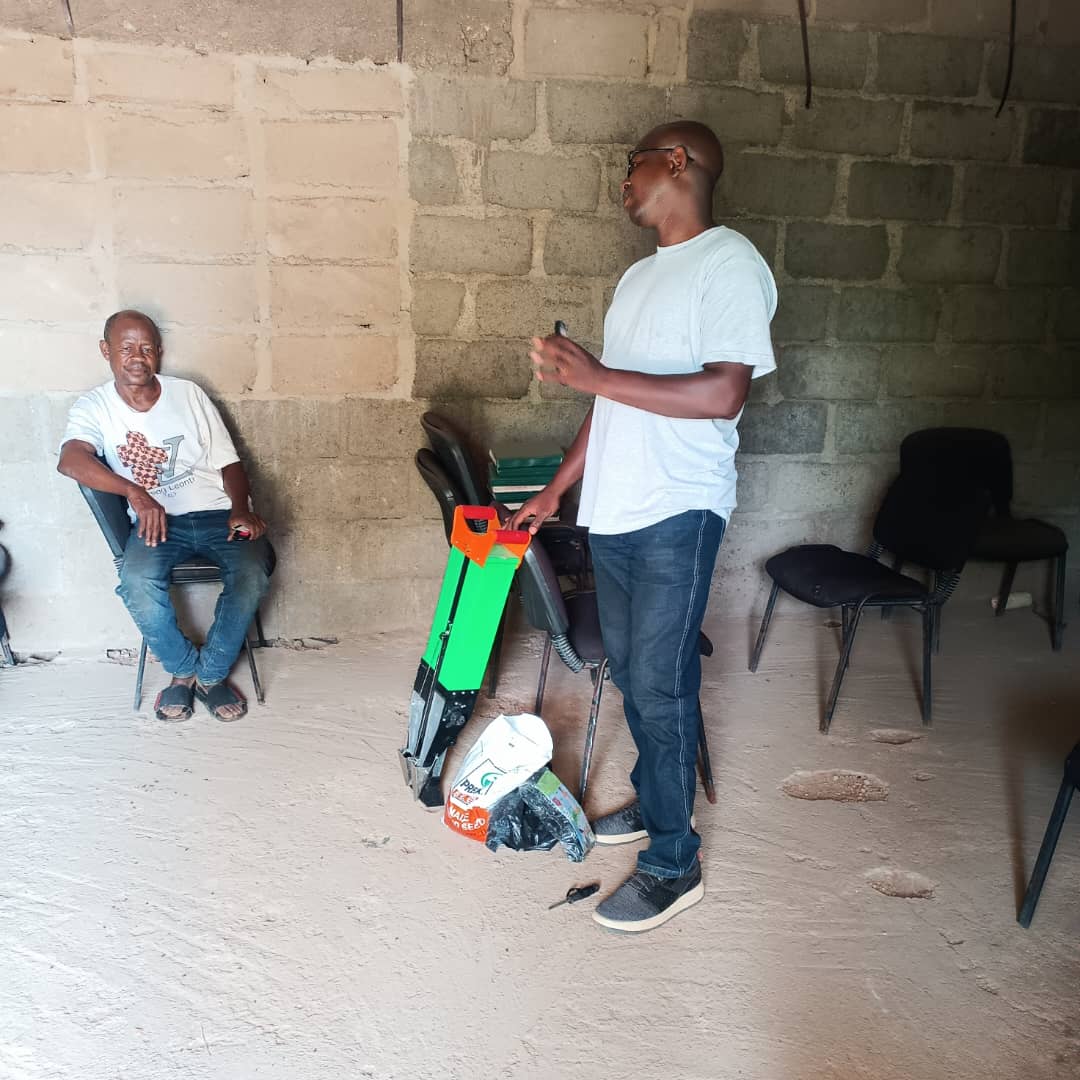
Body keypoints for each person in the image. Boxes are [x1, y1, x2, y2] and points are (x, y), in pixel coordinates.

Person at [509, 121, 777, 932]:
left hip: (677, 509)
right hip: (616, 510)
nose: (622, 183)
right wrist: (556, 491)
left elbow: (724, 393)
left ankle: (673, 862)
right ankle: (661, 800)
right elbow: (610, 401)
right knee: (632, 672)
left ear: (678, 161)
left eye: (632, 165)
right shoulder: (635, 279)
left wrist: (596, 371)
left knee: (659, 685)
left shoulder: (729, 263)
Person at [58, 310, 272, 722]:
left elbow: (229, 462)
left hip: (216, 514)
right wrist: (135, 492)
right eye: (125, 348)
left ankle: (211, 674)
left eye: (146, 348)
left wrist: (241, 509)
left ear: (159, 352)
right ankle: (183, 670)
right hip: (156, 525)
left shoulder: (188, 394)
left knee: (252, 571)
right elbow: (71, 460)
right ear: (105, 351)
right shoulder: (95, 406)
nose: (136, 357)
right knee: (136, 581)